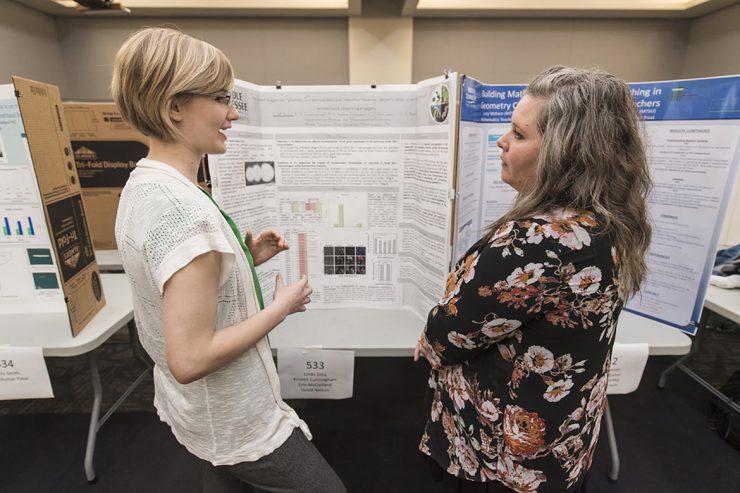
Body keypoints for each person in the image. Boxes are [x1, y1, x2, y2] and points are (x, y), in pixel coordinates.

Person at [111, 27, 346, 493]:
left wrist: (242, 259)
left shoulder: (146, 187)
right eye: (221, 99)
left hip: (202, 412)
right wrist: (281, 308)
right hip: (233, 413)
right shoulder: (182, 212)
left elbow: (174, 286)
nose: (232, 113)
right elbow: (190, 358)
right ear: (175, 107)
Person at [415, 66, 652, 493]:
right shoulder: (607, 222)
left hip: (505, 457)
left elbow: (449, 336)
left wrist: (432, 334)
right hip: (561, 437)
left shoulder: (535, 241)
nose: (502, 141)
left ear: (565, 155)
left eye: (519, 134)